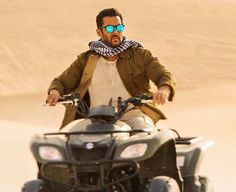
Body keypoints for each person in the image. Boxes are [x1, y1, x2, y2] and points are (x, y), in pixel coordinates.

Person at [46, 8, 176, 131]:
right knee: (71, 137)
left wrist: (163, 90)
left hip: (133, 116)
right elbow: (62, 81)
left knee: (144, 136)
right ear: (99, 32)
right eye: (109, 28)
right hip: (96, 119)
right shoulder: (86, 59)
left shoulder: (140, 55)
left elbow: (164, 75)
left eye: (119, 27)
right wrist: (55, 92)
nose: (115, 32)